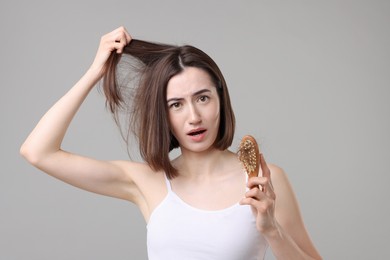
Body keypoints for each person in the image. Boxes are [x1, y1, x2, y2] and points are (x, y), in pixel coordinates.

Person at [20, 26, 322, 260]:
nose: (194, 116)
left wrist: (272, 229)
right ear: (162, 114)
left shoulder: (263, 181)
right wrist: (95, 71)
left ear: (220, 98)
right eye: (176, 104)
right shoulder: (147, 181)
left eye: (203, 98)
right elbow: (38, 151)